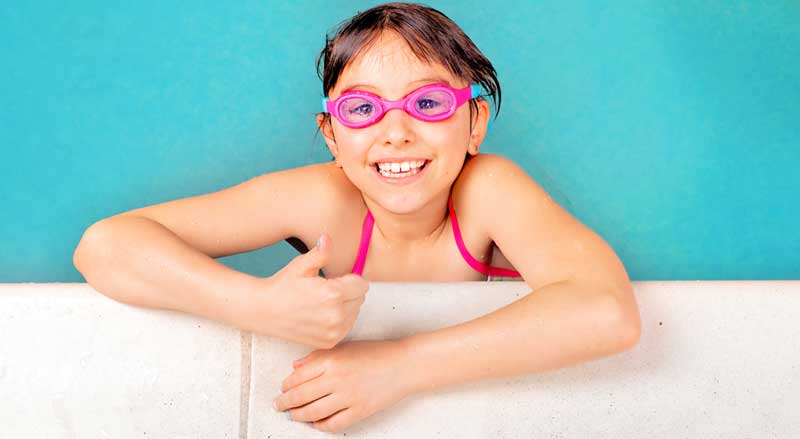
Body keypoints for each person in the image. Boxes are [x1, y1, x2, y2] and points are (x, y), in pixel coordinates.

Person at [73, 2, 641, 433]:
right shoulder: (323, 199)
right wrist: (253, 305)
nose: (395, 132)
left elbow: (606, 312)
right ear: (332, 137)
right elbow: (104, 245)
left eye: (427, 104)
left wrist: (398, 366)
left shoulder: (488, 190)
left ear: (474, 123)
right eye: (363, 109)